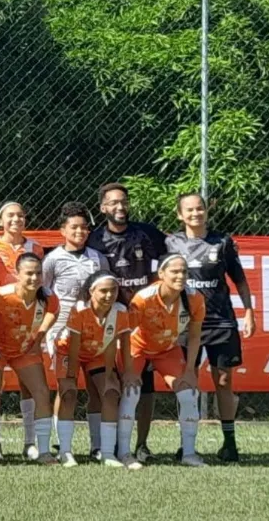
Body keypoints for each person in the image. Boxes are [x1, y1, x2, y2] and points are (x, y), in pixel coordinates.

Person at [167, 193, 254, 461]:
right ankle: (187, 444)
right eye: (190, 210)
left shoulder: (223, 242)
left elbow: (239, 280)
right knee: (187, 382)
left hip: (221, 321)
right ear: (180, 214)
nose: (196, 214)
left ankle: (229, 443)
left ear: (206, 211)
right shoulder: (170, 243)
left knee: (224, 380)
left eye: (200, 209)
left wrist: (249, 312)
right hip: (184, 323)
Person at [87, 182, 167, 461]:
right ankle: (103, 445)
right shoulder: (94, 240)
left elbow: (166, 266)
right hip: (110, 322)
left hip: (144, 321)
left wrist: (153, 301)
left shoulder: (148, 234)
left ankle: (141, 445)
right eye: (113, 203)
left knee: (144, 385)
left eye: (123, 202)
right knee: (107, 382)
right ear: (103, 208)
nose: (120, 207)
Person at [120, 254, 206, 467]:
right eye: (174, 271)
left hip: (168, 349)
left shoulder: (194, 297)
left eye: (184, 271)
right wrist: (129, 370)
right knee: (131, 393)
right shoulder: (143, 298)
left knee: (188, 394)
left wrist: (189, 371)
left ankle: (188, 454)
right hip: (137, 346)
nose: (180, 275)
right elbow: (124, 333)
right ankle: (124, 453)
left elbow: (195, 336)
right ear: (161, 274)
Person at [0, 201, 44, 460]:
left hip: (27, 325)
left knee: (30, 384)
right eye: (10, 215)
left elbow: (41, 287)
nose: (16, 219)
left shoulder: (36, 247)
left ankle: (30, 443)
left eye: (21, 215)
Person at [42, 201, 109, 459]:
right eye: (74, 227)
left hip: (93, 331)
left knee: (97, 388)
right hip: (63, 331)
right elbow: (45, 294)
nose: (79, 232)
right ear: (63, 230)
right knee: (67, 388)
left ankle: (97, 447)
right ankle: (64, 448)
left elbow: (106, 293)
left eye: (84, 228)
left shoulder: (98, 258)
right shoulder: (53, 259)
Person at [0, 253, 59, 465]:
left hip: (24, 349)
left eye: (38, 273)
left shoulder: (49, 296)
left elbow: (54, 312)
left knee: (42, 392)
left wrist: (39, 336)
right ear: (17, 274)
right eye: (29, 273)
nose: (35, 278)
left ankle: (43, 451)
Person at [53, 272, 139, 469]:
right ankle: (64, 451)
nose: (109, 295)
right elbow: (73, 347)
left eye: (113, 290)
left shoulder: (120, 311)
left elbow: (118, 344)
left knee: (110, 392)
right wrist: (72, 377)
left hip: (97, 353)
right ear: (91, 291)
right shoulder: (80, 310)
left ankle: (106, 452)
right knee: (68, 393)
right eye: (103, 291)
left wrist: (115, 374)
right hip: (68, 352)